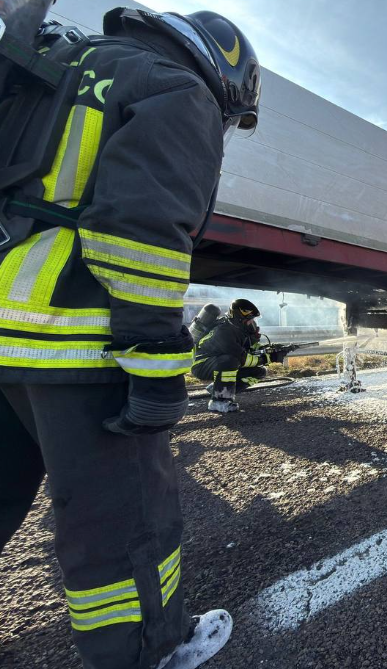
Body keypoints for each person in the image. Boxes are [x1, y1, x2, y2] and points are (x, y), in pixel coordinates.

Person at [0, 5, 261, 668]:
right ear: (225, 74)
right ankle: (151, 650)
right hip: (77, 346)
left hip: (5, 335)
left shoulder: (61, 67)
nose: (224, 130)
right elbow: (141, 236)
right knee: (123, 526)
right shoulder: (177, 90)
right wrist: (152, 367)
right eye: (231, 120)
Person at [191, 298, 287, 413]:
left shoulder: (241, 330)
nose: (252, 322)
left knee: (259, 372)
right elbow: (243, 358)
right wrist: (268, 359)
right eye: (250, 319)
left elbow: (251, 349)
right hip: (201, 364)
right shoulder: (223, 331)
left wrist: (270, 350)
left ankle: (217, 389)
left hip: (219, 362)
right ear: (239, 318)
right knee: (230, 360)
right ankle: (219, 401)